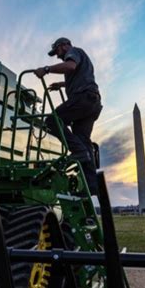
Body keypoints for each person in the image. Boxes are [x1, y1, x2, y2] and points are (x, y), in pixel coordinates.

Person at [34, 37, 102, 195]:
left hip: (82, 99)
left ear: (64, 46)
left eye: (57, 51)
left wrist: (46, 69)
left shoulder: (73, 52)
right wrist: (62, 84)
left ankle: (77, 151)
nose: (57, 55)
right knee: (83, 141)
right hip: (92, 102)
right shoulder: (81, 58)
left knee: (52, 120)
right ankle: (91, 187)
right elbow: (79, 75)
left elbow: (71, 66)